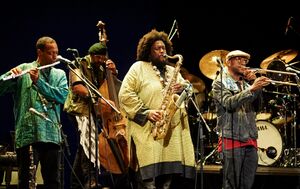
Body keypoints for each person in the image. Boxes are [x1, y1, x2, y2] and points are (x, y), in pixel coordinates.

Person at [118, 29, 196, 189]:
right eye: (157, 48)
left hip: (169, 134)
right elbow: (125, 94)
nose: (162, 51)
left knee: (166, 183)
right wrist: (146, 112)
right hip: (147, 131)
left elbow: (188, 91)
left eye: (164, 48)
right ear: (148, 51)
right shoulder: (138, 68)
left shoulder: (172, 70)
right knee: (148, 182)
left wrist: (184, 88)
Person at [0, 36, 68, 189]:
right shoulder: (24, 69)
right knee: (25, 180)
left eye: (56, 53)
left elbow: (62, 96)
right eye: (51, 53)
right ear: (40, 52)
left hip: (51, 134)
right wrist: (9, 78)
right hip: (28, 134)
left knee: (53, 181)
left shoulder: (59, 75)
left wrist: (39, 82)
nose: (55, 57)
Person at [64, 42, 128, 189]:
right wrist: (99, 99)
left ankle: (76, 181)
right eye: (100, 58)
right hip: (79, 110)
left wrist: (113, 72)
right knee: (90, 140)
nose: (102, 61)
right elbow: (78, 88)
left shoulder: (101, 66)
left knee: (84, 145)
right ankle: (90, 180)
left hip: (93, 111)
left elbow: (110, 85)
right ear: (93, 56)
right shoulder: (77, 63)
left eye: (104, 59)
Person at [211, 50, 270, 189]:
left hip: (250, 139)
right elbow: (229, 103)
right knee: (231, 185)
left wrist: (255, 86)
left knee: (247, 185)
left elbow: (259, 106)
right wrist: (252, 89)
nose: (243, 62)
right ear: (229, 62)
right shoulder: (219, 83)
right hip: (232, 140)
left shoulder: (246, 84)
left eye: (245, 60)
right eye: (238, 59)